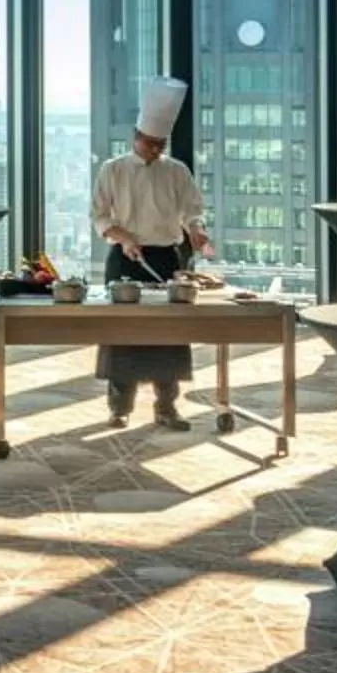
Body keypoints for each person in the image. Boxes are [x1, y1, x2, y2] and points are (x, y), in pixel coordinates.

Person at [90, 77, 214, 430]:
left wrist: (197, 230)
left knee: (168, 335)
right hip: (125, 258)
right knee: (122, 333)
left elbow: (193, 211)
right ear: (136, 137)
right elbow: (99, 217)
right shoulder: (112, 170)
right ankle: (119, 408)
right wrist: (123, 237)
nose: (156, 150)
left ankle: (166, 407)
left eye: (161, 145)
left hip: (164, 258)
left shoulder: (177, 171)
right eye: (150, 144)